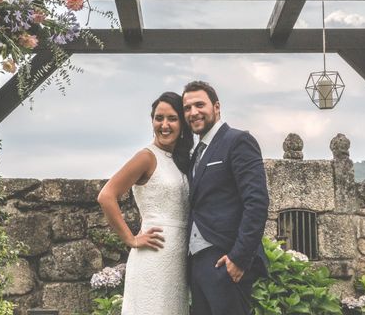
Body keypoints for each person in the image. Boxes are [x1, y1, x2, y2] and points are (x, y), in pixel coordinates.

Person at [97, 92, 193, 315]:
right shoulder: (147, 156)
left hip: (178, 259)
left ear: (182, 123)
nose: (164, 125)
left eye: (172, 118)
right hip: (153, 256)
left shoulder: (181, 161)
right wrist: (131, 239)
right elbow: (106, 196)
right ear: (152, 121)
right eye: (159, 118)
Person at [183, 80, 269, 315]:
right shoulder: (196, 153)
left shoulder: (238, 141)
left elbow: (257, 202)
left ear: (217, 107)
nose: (193, 112)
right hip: (197, 263)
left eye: (200, 105)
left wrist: (239, 259)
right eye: (187, 108)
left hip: (225, 259)